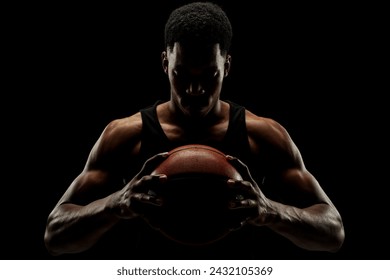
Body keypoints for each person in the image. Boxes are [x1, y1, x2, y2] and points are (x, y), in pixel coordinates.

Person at [44, 1, 345, 259]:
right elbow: (55, 233)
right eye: (181, 74)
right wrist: (115, 203)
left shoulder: (262, 135)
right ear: (165, 63)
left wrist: (270, 211)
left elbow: (333, 230)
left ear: (226, 66)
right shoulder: (125, 135)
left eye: (210, 75)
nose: (195, 89)